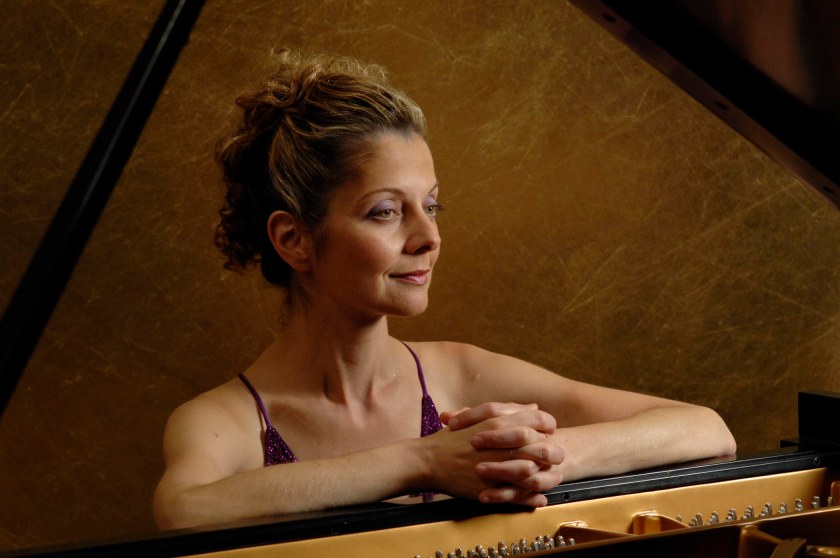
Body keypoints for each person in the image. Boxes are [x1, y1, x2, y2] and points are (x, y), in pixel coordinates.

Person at [152, 51, 736, 530]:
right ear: (294, 239)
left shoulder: (458, 375)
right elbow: (184, 510)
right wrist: (423, 460)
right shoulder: (226, 419)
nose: (428, 237)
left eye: (431, 206)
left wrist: (541, 458)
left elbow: (706, 430)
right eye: (386, 211)